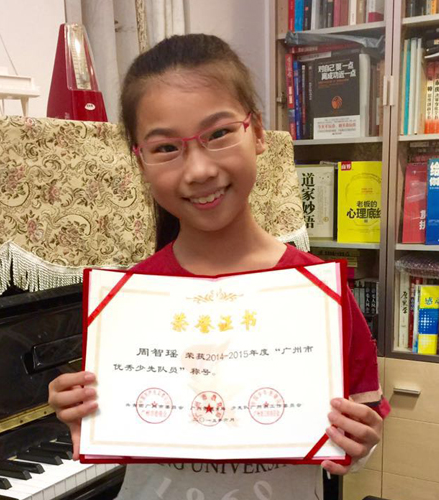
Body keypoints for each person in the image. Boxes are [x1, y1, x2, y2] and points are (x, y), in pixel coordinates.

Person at [48, 33, 390, 499]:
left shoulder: (317, 293)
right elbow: (118, 424)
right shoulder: (128, 301)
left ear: (258, 133)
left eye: (219, 134)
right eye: (166, 148)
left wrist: (360, 444)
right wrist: (81, 412)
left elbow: (362, 426)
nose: (199, 170)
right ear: (140, 161)